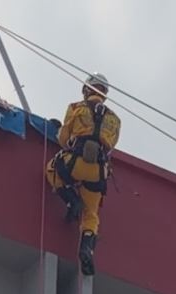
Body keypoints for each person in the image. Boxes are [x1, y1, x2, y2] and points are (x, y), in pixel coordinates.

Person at [46, 72, 121, 276]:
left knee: (51, 169)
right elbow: (111, 147)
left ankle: (71, 201)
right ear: (104, 93)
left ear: (86, 89)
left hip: (75, 163)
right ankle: (86, 249)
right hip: (98, 172)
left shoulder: (76, 108)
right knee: (91, 215)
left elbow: (63, 138)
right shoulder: (115, 120)